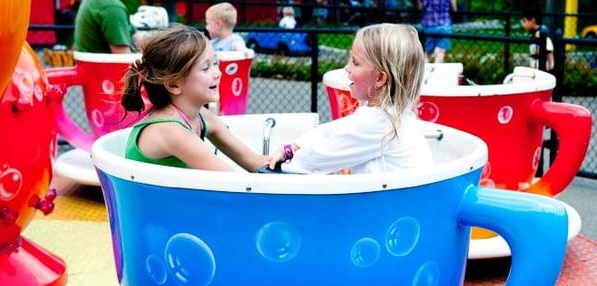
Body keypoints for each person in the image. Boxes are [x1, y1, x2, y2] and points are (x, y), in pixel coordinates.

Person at [268, 23, 433, 174]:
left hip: (392, 205)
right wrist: (290, 148)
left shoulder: (377, 122)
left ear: (380, 79)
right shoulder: (395, 114)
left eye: (355, 62)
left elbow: (311, 161)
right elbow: (329, 131)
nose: (347, 68)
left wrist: (284, 162)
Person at [121, 25, 269, 172]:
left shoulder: (200, 117)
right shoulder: (170, 131)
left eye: (215, 63)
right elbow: (234, 184)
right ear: (173, 85)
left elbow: (255, 163)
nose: (217, 73)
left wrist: (281, 156)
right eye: (205, 68)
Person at [73, 0, 138, 53]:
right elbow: (123, 58)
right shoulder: (112, 7)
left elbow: (135, 36)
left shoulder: (92, 2)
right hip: (104, 67)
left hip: (88, 66)